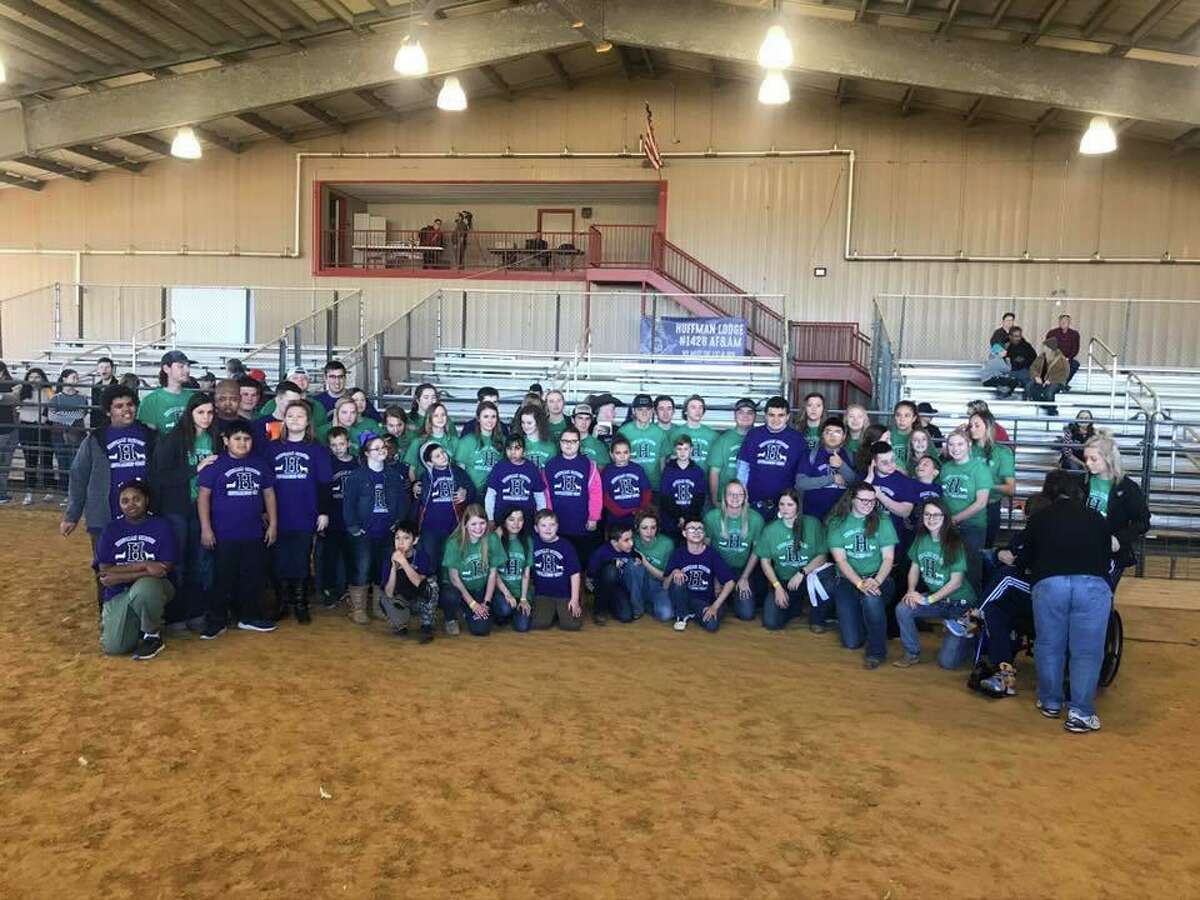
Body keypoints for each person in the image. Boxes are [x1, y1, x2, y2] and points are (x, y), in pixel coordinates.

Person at [1017, 470, 1115, 733]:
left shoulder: (1040, 518)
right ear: (1077, 493)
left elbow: (1024, 556)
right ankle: (1080, 713)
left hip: (1050, 584)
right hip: (1092, 585)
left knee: (1049, 644)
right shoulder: (1096, 518)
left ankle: (1050, 702)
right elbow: (1107, 556)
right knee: (1086, 651)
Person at [62, 385, 156, 611]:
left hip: (142, 515)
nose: (126, 410)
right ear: (108, 411)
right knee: (105, 567)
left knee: (140, 561)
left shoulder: (150, 435)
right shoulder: (96, 439)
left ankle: (137, 612)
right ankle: (108, 613)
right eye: (119, 406)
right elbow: (79, 476)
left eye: (130, 404)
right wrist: (72, 515)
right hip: (104, 514)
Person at [197, 421, 279, 638]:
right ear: (226, 441)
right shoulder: (215, 466)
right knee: (222, 578)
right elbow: (203, 497)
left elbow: (269, 494)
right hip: (223, 534)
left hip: (253, 533)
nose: (242, 443)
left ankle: (249, 616)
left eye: (247, 439)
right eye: (237, 439)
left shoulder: (260, 464)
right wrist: (206, 529)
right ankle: (217, 620)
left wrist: (273, 524)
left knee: (252, 576)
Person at [147, 391, 218, 631]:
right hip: (177, 508)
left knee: (200, 561)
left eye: (210, 412)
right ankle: (176, 614)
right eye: (200, 412)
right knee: (177, 562)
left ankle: (196, 611)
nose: (206, 417)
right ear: (190, 413)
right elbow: (161, 476)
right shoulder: (173, 439)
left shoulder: (215, 438)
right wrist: (196, 468)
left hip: (203, 508)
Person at [93, 480, 177, 660]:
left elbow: (164, 568)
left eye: (136, 499)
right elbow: (105, 572)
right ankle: (134, 626)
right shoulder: (111, 529)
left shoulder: (161, 526)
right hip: (119, 594)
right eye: (125, 501)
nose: (131, 504)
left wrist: (121, 575)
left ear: (146, 500)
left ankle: (152, 635)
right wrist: (145, 566)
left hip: (154, 588)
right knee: (114, 648)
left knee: (144, 589)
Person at [268, 399, 332, 624]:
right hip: (278, 514)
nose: (295, 419)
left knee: (302, 559)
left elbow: (325, 483)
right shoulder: (272, 448)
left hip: (306, 512)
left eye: (300, 416)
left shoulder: (317, 449)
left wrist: (323, 512)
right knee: (279, 559)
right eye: (291, 415)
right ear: (283, 419)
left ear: (308, 421)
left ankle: (301, 602)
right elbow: (265, 486)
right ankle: (282, 601)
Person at [893, 499, 976, 669]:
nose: (931, 518)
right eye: (927, 514)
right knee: (903, 608)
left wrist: (927, 600)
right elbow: (914, 569)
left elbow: (956, 583)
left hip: (960, 604)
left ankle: (970, 633)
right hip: (937, 600)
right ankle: (912, 653)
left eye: (936, 515)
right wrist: (910, 591)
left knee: (948, 663)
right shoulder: (921, 538)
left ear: (945, 517)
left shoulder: (954, 543)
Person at [826, 483, 899, 668]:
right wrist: (860, 583)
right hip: (848, 580)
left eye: (872, 500)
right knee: (851, 642)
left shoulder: (882, 520)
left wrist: (876, 581)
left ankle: (877, 652)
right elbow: (841, 561)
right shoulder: (837, 522)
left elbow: (889, 558)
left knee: (871, 599)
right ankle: (869, 621)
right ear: (852, 499)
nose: (869, 504)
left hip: (878, 577)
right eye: (864, 500)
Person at [343, 433, 411, 626]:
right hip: (363, 531)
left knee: (383, 569)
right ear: (366, 453)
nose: (382, 450)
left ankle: (379, 606)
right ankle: (358, 608)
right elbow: (349, 504)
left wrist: (397, 522)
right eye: (377, 448)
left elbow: (402, 501)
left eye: (384, 447)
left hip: (387, 531)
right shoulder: (357, 476)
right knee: (362, 568)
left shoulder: (393, 475)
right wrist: (354, 527)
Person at [543, 427, 603, 605]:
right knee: (559, 562)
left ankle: (578, 601)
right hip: (558, 525)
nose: (569, 445)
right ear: (560, 443)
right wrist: (548, 520)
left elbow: (596, 493)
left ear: (579, 443)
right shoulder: (551, 465)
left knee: (578, 564)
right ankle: (559, 599)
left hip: (580, 525)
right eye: (565, 441)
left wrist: (593, 517)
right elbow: (546, 493)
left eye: (573, 441)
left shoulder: (588, 465)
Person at [754, 489, 829, 631]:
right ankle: (795, 606)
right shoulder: (770, 530)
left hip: (808, 577)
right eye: (782, 504)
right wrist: (777, 587)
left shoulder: (812, 524)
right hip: (784, 581)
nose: (785, 508)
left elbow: (823, 556)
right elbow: (765, 562)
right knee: (771, 622)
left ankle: (817, 618)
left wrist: (802, 572)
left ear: (798, 506)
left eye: (790, 504)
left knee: (828, 581)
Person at [1082, 432, 1150, 587]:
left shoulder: (1128, 488)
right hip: (1083, 549)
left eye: (1093, 459)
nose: (1087, 463)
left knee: (1102, 594)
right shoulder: (1081, 483)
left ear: (1108, 459)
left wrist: (1119, 539)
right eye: (1086, 458)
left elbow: (1143, 522)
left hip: (1113, 554)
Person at [938, 429, 993, 594]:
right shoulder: (946, 468)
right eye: (951, 444)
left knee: (971, 570)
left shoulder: (979, 468)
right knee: (948, 568)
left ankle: (972, 613)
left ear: (969, 445)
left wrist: (954, 519)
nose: (955, 448)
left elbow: (981, 503)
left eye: (960, 444)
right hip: (948, 527)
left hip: (972, 527)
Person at [736, 396, 807, 522]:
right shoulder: (754, 434)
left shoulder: (798, 439)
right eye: (771, 415)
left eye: (781, 415)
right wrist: (742, 497)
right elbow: (743, 468)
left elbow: (801, 477)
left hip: (784, 506)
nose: (776, 419)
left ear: (788, 416)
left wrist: (795, 504)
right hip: (754, 502)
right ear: (765, 415)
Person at [704, 479, 765, 622]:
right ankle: (726, 598)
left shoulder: (756, 519)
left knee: (746, 614)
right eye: (731, 494)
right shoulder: (712, 517)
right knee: (713, 615)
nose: (735, 498)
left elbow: (756, 552)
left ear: (745, 497)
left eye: (739, 494)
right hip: (718, 570)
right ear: (724, 497)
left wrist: (744, 577)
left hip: (741, 569)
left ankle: (733, 596)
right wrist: (715, 578)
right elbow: (705, 550)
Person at [440, 504, 505, 637]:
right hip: (460, 589)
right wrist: (473, 604)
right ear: (465, 524)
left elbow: (493, 574)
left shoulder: (492, 539)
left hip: (481, 589)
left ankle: (474, 612)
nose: (478, 528)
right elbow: (454, 578)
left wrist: (486, 603)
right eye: (473, 524)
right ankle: (451, 618)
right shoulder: (454, 543)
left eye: (482, 523)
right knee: (450, 596)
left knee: (482, 629)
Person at [665, 516, 736, 633]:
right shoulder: (678, 553)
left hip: (704, 601)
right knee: (678, 579)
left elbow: (730, 582)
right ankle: (681, 615)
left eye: (700, 529)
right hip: (683, 597)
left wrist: (715, 606)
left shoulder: (711, 554)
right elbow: (665, 585)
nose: (696, 532)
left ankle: (693, 614)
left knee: (712, 626)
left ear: (704, 534)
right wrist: (674, 572)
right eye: (692, 529)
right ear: (684, 533)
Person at [413, 441, 474, 569]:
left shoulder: (458, 473)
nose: (443, 456)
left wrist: (466, 493)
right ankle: (432, 586)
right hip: (430, 529)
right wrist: (414, 488)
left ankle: (449, 586)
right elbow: (418, 501)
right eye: (437, 456)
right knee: (431, 561)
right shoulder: (425, 477)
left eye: (443, 452)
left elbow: (472, 492)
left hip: (454, 527)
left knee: (451, 562)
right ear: (429, 462)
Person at [318, 426, 359, 609]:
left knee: (353, 558)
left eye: (341, 444)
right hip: (333, 519)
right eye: (333, 445)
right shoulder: (327, 464)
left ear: (348, 443)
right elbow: (323, 491)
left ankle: (353, 591)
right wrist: (323, 513)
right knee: (330, 557)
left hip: (352, 520)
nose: (338, 448)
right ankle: (329, 590)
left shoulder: (358, 463)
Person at [380, 521, 437, 642]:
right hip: (402, 601)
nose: (400, 543)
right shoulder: (389, 559)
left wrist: (404, 562)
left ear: (415, 540)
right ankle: (401, 624)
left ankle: (426, 625)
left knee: (432, 584)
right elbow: (389, 593)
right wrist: (393, 569)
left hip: (419, 601)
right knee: (383, 597)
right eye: (397, 538)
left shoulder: (421, 556)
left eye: (406, 538)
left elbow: (418, 583)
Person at [530, 509, 583, 631]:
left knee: (571, 625)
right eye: (543, 525)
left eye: (552, 525)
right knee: (539, 624)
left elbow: (575, 574)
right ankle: (552, 611)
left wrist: (574, 599)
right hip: (542, 594)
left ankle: (559, 611)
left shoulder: (566, 545)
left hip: (564, 594)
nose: (548, 529)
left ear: (557, 526)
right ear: (536, 528)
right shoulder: (532, 542)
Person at [968, 411, 1016, 548]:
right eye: (970, 425)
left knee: (985, 548)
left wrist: (986, 485)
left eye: (977, 425)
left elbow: (1011, 488)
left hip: (991, 505)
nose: (972, 429)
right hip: (966, 504)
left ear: (988, 426)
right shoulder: (965, 448)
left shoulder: (1002, 452)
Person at [484, 434, 548, 528]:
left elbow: (539, 497)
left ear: (524, 450)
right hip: (502, 519)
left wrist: (540, 519)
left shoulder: (531, 468)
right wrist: (490, 518)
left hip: (526, 519)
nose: (513, 452)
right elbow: (490, 495)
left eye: (517, 448)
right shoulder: (499, 467)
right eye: (509, 448)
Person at [794, 417, 850, 524]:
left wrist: (842, 465)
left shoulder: (850, 456)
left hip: (842, 517)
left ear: (844, 436)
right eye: (828, 432)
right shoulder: (810, 455)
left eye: (837, 432)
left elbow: (857, 483)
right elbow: (801, 483)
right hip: (811, 516)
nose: (832, 435)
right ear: (822, 435)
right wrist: (832, 479)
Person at [48, 368, 88, 497]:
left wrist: (63, 416)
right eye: (73, 377)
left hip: (76, 434)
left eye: (77, 377)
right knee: (62, 463)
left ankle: (74, 493)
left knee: (75, 464)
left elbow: (81, 414)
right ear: (64, 379)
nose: (76, 380)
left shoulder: (82, 397)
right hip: (59, 435)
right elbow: (51, 416)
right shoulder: (56, 398)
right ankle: (66, 493)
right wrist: (71, 418)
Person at [587, 522, 638, 623]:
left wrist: (638, 558)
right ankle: (599, 610)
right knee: (611, 570)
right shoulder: (601, 552)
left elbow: (635, 555)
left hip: (619, 587)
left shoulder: (629, 549)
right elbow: (591, 573)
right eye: (626, 540)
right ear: (614, 543)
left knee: (626, 616)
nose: (631, 543)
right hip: (602, 586)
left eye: (631, 538)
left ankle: (611, 604)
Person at [658, 434, 707, 538]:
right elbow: (665, 498)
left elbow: (699, 498)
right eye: (679, 449)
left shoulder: (698, 472)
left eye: (686, 449)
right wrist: (678, 517)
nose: (682, 452)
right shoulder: (668, 471)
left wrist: (686, 518)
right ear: (675, 450)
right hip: (671, 520)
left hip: (692, 519)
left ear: (691, 450)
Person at [708, 398, 756, 501]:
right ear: (734, 415)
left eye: (750, 413)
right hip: (727, 500)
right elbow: (714, 472)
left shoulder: (761, 438)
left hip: (754, 499)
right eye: (741, 412)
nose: (745, 416)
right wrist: (714, 499)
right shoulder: (723, 440)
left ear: (755, 416)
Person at [137, 350, 197, 433]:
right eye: (181, 366)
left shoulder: (193, 398)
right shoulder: (150, 401)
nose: (187, 370)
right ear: (166, 368)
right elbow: (148, 435)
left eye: (188, 366)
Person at [629, 510, 674, 621]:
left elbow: (665, 577)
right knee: (633, 566)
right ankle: (638, 606)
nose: (649, 532)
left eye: (653, 528)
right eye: (644, 528)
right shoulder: (632, 540)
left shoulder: (667, 544)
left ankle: (647, 605)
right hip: (636, 584)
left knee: (666, 614)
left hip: (657, 585)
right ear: (637, 528)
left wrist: (645, 562)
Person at [494, 508, 533, 631]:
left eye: (520, 519)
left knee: (522, 627)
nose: (516, 524)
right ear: (504, 521)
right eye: (511, 519)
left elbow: (526, 574)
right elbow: (493, 573)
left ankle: (515, 611)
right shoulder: (496, 539)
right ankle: (501, 613)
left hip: (520, 591)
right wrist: (507, 594)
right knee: (505, 609)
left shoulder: (528, 541)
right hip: (502, 591)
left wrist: (523, 599)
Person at [619, 394, 669, 490]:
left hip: (654, 486)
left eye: (648, 409)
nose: (644, 413)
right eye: (640, 409)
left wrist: (663, 485)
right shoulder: (624, 431)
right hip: (631, 486)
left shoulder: (660, 433)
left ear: (653, 411)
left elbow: (662, 462)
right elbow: (617, 461)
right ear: (634, 411)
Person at [599, 435, 651, 527]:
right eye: (618, 453)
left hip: (637, 516)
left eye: (625, 452)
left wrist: (642, 509)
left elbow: (646, 491)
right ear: (611, 454)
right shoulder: (607, 472)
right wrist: (618, 511)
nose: (622, 456)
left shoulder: (637, 469)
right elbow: (604, 496)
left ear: (630, 453)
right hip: (615, 517)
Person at [17, 367, 52, 504]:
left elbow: (54, 405)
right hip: (27, 427)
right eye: (31, 377)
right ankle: (29, 492)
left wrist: (45, 418)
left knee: (46, 459)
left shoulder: (48, 391)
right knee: (30, 460)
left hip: (43, 427)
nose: (34, 380)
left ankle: (50, 490)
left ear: (42, 378)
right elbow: (11, 399)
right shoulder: (22, 390)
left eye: (37, 377)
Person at [454, 401, 504, 494]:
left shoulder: (504, 441)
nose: (490, 421)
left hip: (495, 493)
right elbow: (459, 471)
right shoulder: (467, 441)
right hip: (472, 494)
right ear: (478, 418)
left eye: (493, 416)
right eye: (485, 416)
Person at [403, 401, 458, 473]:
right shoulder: (418, 442)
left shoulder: (454, 441)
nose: (440, 418)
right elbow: (411, 470)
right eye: (436, 415)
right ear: (429, 418)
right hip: (424, 482)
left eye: (443, 415)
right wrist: (414, 483)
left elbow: (459, 467)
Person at [668, 395, 719, 470]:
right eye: (693, 407)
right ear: (685, 411)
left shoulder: (713, 435)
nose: (698, 411)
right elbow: (670, 460)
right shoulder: (676, 434)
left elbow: (716, 464)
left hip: (704, 480)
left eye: (700, 407)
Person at [252, 380, 304, 447]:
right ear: (277, 400)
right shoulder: (260, 425)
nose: (294, 406)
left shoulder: (301, 425)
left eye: (298, 403)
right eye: (290, 402)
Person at [1026, 337, 1069, 413]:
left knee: (1048, 392)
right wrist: (1036, 376)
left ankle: (1051, 410)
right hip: (1041, 380)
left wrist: (1051, 380)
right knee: (1030, 387)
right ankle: (1046, 405)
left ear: (1050, 348)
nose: (1044, 348)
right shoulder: (1041, 357)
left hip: (1055, 381)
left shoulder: (1061, 360)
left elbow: (1064, 373)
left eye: (1045, 347)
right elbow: (1033, 367)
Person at [512, 403, 556, 469]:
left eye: (529, 423)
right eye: (523, 422)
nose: (525, 426)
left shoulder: (550, 447)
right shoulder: (516, 444)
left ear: (539, 423)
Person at [0, 360, 19, 504]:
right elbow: (13, 398)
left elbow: (16, 398)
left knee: (6, 462)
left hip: (11, 428)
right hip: (7, 428)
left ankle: (2, 492)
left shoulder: (10, 383)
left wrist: (4, 398)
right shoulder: (10, 385)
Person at [572, 403, 610, 469]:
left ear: (591, 421)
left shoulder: (599, 446)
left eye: (587, 419)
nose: (583, 422)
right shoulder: (565, 442)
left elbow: (604, 471)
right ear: (573, 420)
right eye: (580, 418)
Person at [1046, 313, 1081, 382]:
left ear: (1069, 323)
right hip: (1054, 358)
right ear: (1059, 322)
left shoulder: (1074, 334)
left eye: (1065, 321)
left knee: (1075, 364)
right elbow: (1048, 347)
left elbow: (1075, 349)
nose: (1063, 323)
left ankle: (1063, 383)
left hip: (1068, 359)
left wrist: (1067, 358)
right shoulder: (1052, 333)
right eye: (1061, 321)